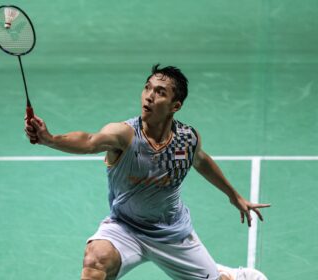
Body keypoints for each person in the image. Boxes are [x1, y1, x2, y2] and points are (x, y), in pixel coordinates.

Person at [24, 64, 270, 280]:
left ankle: (230, 275)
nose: (149, 96)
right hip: (126, 227)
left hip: (172, 233)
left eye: (160, 92)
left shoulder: (187, 139)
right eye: (147, 88)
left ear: (176, 105)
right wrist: (50, 139)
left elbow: (201, 160)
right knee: (95, 262)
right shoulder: (124, 134)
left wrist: (233, 195)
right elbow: (89, 141)